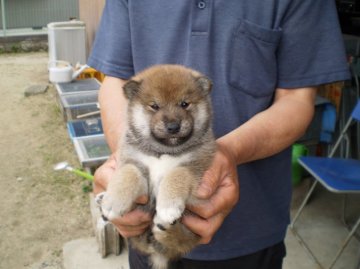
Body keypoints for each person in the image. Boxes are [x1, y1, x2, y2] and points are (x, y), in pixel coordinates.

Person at [87, 1, 350, 268]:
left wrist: (227, 152)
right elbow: (116, 81)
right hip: (146, 229)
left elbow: (297, 99)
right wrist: (128, 162)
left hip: (250, 227)